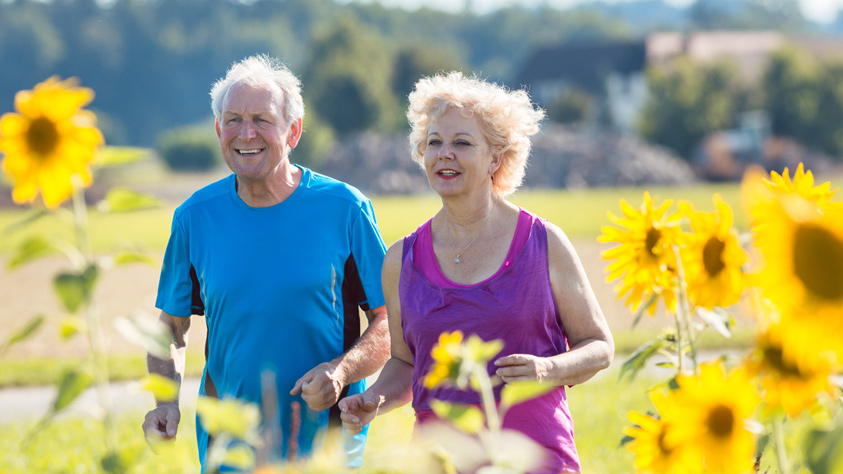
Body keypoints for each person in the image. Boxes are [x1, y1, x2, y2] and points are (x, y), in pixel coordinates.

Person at [338, 72, 614, 473]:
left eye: (462, 143)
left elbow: (599, 346)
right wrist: (374, 400)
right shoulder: (401, 259)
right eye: (434, 143)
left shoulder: (543, 242)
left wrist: (547, 369)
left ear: (496, 158)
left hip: (535, 461)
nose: (444, 154)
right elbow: (406, 361)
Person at [141, 55, 390, 471]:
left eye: (261, 119)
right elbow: (171, 327)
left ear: (292, 132)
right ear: (219, 130)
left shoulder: (345, 209)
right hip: (229, 439)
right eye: (233, 119)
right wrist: (164, 401)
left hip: (325, 442)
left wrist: (340, 370)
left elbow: (390, 322)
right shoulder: (194, 217)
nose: (246, 133)